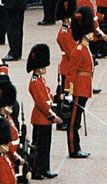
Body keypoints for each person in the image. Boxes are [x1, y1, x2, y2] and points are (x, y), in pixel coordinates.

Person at [62, 7, 96, 158]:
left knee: (76, 121)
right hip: (78, 89)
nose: (91, 34)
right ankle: (73, 149)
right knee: (73, 123)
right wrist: (68, 91)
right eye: (88, 32)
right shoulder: (78, 50)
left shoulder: (85, 48)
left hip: (84, 87)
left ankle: (77, 147)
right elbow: (71, 72)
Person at [27, 42, 62, 179]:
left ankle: (44, 168)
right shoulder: (35, 82)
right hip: (41, 118)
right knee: (39, 147)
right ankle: (37, 170)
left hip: (44, 118)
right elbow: (41, 103)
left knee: (45, 147)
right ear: (37, 68)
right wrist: (53, 116)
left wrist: (57, 97)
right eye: (42, 67)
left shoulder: (41, 80)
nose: (45, 69)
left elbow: (47, 96)